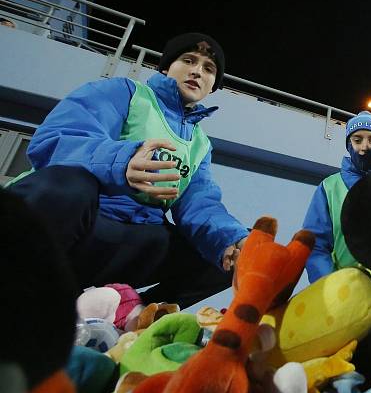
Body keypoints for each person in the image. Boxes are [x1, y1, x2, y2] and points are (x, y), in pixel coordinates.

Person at [7, 32, 249, 307]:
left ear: (213, 85)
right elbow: (57, 139)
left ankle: (132, 314)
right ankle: (14, 292)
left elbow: (200, 205)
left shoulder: (201, 144)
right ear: (166, 67)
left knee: (228, 256)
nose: (197, 71)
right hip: (76, 220)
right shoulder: (123, 92)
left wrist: (233, 239)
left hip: (131, 237)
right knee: (69, 186)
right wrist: (121, 162)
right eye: (188, 60)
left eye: (209, 68)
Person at [303, 111, 371, 282]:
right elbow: (315, 245)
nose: (364, 147)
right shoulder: (329, 187)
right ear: (348, 144)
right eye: (357, 140)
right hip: (344, 294)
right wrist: (328, 287)